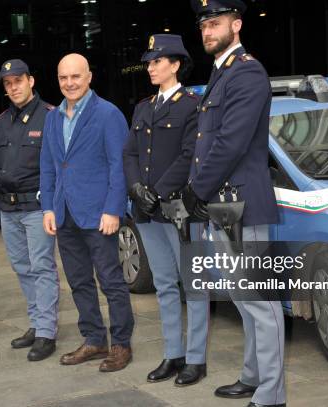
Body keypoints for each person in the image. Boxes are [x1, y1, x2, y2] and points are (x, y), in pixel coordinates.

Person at [186, 1, 287, 407]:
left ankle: (272, 395)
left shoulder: (246, 71)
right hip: (225, 206)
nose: (208, 31)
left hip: (241, 204)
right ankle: (253, 376)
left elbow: (231, 141)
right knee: (244, 300)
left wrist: (198, 188)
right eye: (204, 25)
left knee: (260, 303)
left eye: (216, 23)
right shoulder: (221, 72)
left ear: (237, 24)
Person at [123, 34, 209, 386]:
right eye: (148, 62)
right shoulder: (143, 107)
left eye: (157, 61)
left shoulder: (191, 105)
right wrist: (136, 189)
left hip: (177, 210)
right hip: (146, 211)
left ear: (175, 64)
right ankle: (173, 353)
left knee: (194, 285)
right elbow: (130, 153)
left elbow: (191, 155)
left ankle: (197, 359)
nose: (150, 67)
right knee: (164, 284)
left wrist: (155, 191)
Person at [40, 53, 134, 372]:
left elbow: (118, 166)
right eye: (63, 78)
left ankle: (121, 344)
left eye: (75, 77)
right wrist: (49, 208)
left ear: (89, 77)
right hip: (65, 214)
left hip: (98, 215)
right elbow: (49, 167)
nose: (70, 83)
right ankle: (94, 339)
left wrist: (113, 209)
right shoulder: (52, 118)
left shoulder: (108, 114)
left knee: (111, 281)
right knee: (79, 281)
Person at [0, 59, 59, 361]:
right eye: (8, 83)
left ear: (31, 81)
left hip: (37, 207)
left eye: (18, 81)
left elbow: (59, 166)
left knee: (41, 267)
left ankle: (46, 333)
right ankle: (37, 323)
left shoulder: (51, 117)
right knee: (22, 268)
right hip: (7, 209)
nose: (13, 87)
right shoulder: (0, 123)